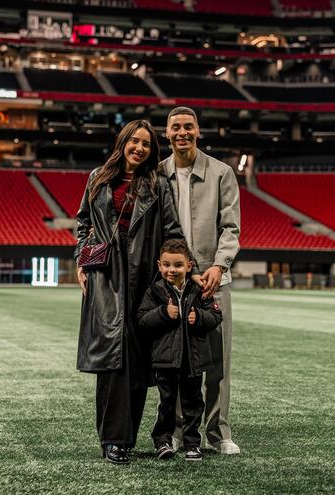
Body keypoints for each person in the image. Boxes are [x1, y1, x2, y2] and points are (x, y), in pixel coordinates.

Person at [75, 119, 184, 465]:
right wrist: (82, 260)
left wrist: (178, 270)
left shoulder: (158, 185)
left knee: (137, 361)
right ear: (123, 142)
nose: (139, 148)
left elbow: (172, 230)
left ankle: (127, 438)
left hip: (143, 278)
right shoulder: (97, 178)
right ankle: (112, 439)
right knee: (112, 361)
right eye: (134, 142)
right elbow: (83, 224)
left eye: (147, 145)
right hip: (106, 277)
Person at [159, 106, 241, 454]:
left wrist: (219, 266)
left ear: (198, 131)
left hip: (212, 280)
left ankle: (218, 432)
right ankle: (178, 432)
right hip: (174, 281)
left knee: (218, 362)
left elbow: (231, 227)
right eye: (175, 127)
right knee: (177, 360)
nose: (182, 133)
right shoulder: (157, 174)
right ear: (167, 133)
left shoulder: (221, 172)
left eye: (188, 127)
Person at [138, 239, 222, 462]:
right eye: (166, 265)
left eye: (177, 265)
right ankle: (162, 440)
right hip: (165, 359)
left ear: (189, 266)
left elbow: (216, 315)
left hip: (193, 360)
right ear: (159, 265)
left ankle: (192, 444)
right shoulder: (154, 291)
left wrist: (199, 318)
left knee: (193, 403)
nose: (171, 270)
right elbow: (142, 320)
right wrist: (163, 313)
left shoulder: (199, 289)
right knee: (167, 402)